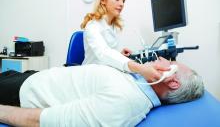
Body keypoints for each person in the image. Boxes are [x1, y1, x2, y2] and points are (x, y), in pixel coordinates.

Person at [0, 57, 204, 127]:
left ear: (173, 82)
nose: (161, 59)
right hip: (36, 78)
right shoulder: (138, 84)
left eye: (168, 63)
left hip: (21, 92)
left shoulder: (124, 102)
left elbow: (45, 121)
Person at [80, 0, 167, 82]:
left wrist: (119, 54)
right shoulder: (93, 26)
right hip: (92, 75)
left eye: (123, 0)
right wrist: (141, 69)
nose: (121, 4)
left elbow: (109, 53)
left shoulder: (112, 26)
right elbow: (103, 53)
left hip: (106, 71)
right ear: (103, 0)